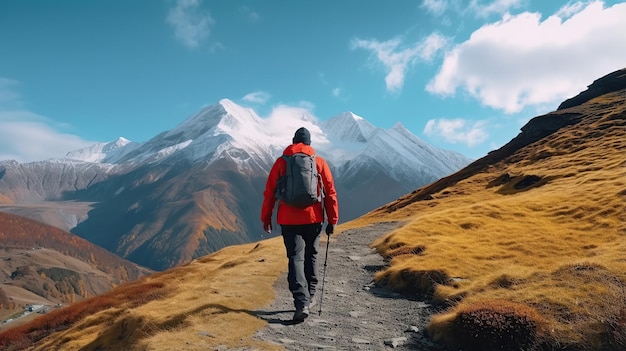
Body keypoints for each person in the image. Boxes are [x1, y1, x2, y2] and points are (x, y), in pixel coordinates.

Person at [261, 127, 339, 322]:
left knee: (295, 257)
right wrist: (333, 219)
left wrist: (266, 217)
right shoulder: (319, 162)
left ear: (293, 142)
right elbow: (330, 193)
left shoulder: (281, 162)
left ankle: (301, 301)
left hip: (288, 219)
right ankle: (310, 295)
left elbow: (269, 192)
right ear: (310, 143)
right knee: (311, 256)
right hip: (314, 218)